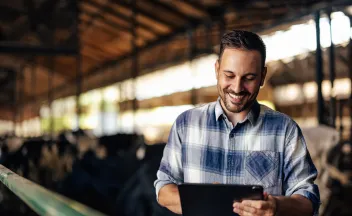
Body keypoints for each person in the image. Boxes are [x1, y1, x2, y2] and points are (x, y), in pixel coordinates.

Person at [154, 30, 320, 216]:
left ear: (263, 76)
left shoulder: (284, 130)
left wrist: (276, 206)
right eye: (229, 75)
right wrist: (210, 200)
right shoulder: (186, 125)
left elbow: (309, 199)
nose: (237, 88)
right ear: (217, 70)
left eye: (249, 78)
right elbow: (163, 188)